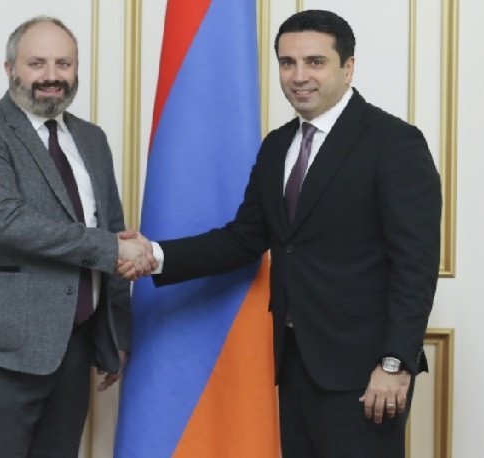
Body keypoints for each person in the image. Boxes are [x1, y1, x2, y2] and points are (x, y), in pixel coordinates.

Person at [129, 9, 441, 457]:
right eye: (287, 62)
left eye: (315, 62)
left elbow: (415, 265)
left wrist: (394, 364)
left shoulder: (394, 142)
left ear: (348, 67)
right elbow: (243, 238)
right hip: (293, 363)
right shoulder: (277, 145)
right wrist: (154, 255)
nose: (299, 76)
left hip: (365, 372)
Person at [0, 16, 154, 458]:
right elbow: (7, 222)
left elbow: (111, 227)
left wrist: (116, 333)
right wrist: (114, 248)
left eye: (64, 63)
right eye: (37, 63)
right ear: (10, 69)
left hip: (74, 349)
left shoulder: (91, 139)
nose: (51, 76)